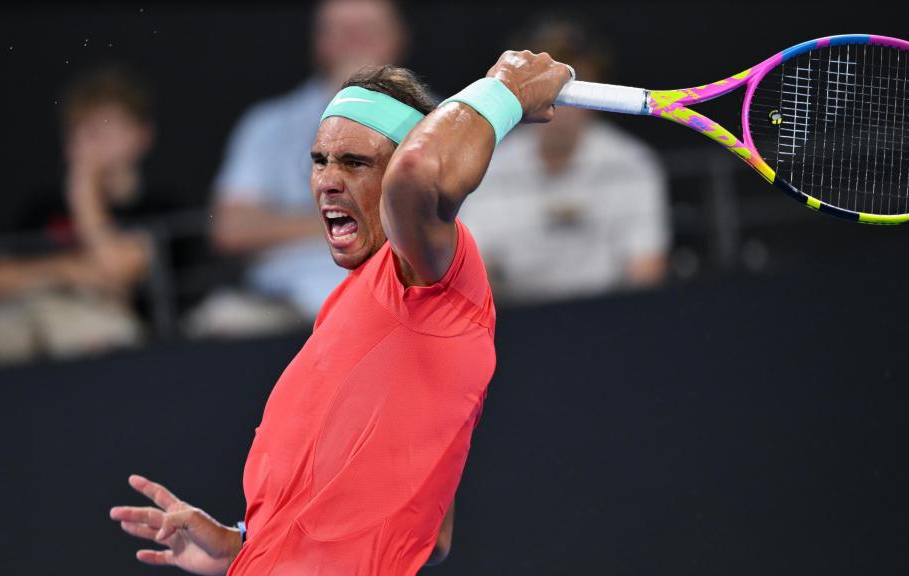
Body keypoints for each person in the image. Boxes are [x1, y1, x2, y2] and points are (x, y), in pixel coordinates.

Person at [109, 53, 574, 575]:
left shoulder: (430, 279)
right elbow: (431, 533)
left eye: (355, 162)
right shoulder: (347, 311)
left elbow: (421, 172)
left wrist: (505, 89)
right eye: (320, 160)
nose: (327, 180)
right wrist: (241, 545)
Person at [187, 0, 408, 337]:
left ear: (396, 38)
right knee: (216, 321)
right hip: (284, 308)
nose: (353, 42)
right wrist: (355, 224)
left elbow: (462, 228)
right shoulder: (268, 124)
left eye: (366, 31)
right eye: (341, 31)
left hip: (405, 299)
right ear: (319, 42)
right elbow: (230, 227)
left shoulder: (440, 121)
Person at [459, 18, 670, 304]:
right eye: (547, 84)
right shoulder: (487, 166)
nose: (562, 99)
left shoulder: (634, 164)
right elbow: (476, 275)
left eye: (573, 84)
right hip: (516, 328)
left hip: (614, 324)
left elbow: (646, 273)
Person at [0, 66, 156, 363]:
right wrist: (69, 272)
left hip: (104, 336)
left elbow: (118, 272)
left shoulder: (155, 206)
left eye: (104, 126)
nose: (90, 140)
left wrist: (83, 190)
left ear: (140, 135)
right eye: (80, 128)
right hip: (25, 319)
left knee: (103, 335)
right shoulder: (41, 208)